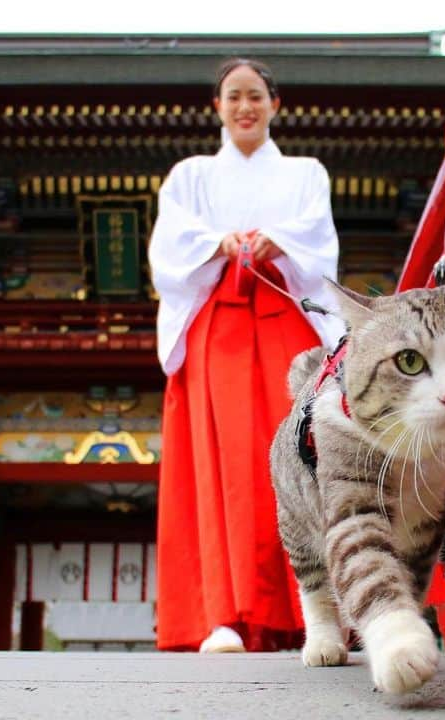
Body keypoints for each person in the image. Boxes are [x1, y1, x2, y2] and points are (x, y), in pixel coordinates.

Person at [149, 58, 345, 653]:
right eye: (233, 97)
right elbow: (169, 251)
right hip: (219, 326)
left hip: (283, 316)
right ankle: (224, 613)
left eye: (254, 96)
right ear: (217, 106)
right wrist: (218, 242)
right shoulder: (189, 177)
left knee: (297, 455)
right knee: (223, 465)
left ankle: (314, 611)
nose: (244, 107)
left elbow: (317, 240)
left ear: (274, 103)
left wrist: (277, 240)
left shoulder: (306, 173)